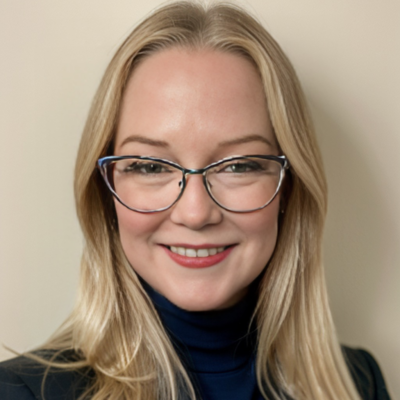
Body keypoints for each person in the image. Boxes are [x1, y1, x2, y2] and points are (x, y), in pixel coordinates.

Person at [0, 1, 392, 399]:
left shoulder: (360, 383)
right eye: (151, 166)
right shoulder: (20, 392)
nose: (195, 213)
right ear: (106, 191)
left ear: (288, 187)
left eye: (239, 166)